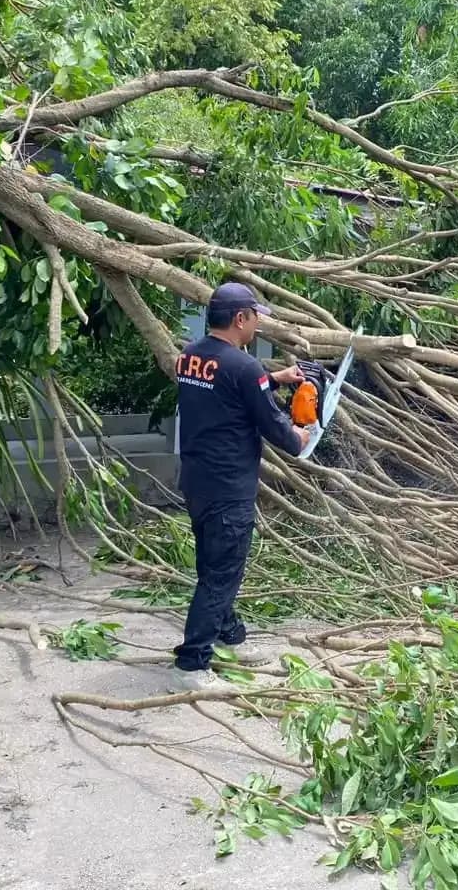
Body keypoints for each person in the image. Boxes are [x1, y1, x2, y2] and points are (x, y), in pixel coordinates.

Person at [172, 282, 310, 691]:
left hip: (197, 479)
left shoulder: (190, 357)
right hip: (229, 485)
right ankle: (192, 663)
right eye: (255, 318)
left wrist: (276, 377)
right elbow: (278, 431)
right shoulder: (244, 369)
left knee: (214, 564)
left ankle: (228, 635)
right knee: (221, 572)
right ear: (240, 319)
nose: (257, 326)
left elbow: (230, 382)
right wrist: (301, 436)